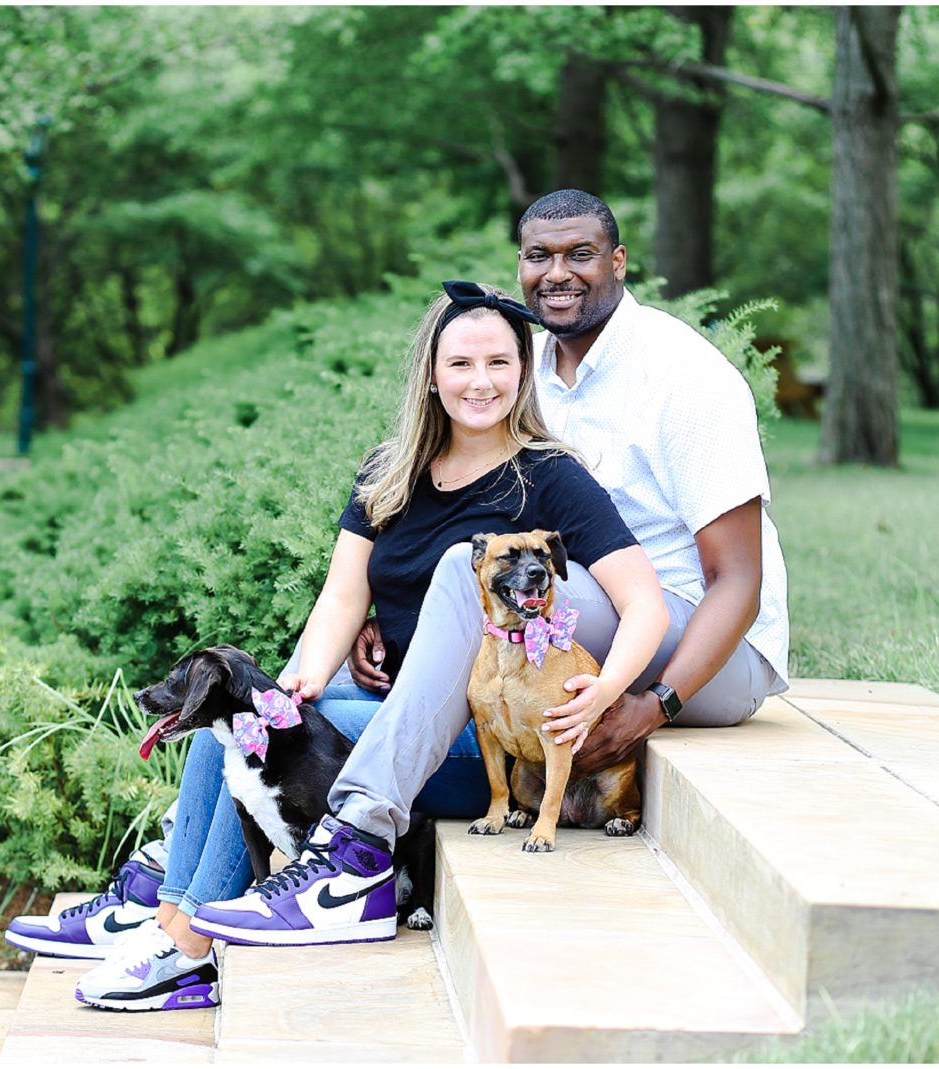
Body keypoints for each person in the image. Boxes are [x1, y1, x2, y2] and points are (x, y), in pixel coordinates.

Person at [192, 189, 790, 952]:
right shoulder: (527, 362)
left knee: (462, 567)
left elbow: (739, 582)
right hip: (580, 610)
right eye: (538, 255)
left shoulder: (683, 376)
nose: (557, 272)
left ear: (619, 260)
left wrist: (654, 704)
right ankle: (176, 907)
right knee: (254, 710)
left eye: (579, 253)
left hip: (705, 638)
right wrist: (391, 619)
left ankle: (358, 845)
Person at [57, 277, 669, 1011]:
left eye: (500, 363)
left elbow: (646, 604)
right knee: (241, 727)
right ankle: (169, 918)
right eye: (461, 364)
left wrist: (607, 691)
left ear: (524, 370)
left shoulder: (550, 475)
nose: (481, 381)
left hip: (475, 734)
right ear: (431, 374)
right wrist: (298, 683)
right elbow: (345, 594)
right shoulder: (391, 471)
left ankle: (189, 952)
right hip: (389, 703)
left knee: (265, 742)